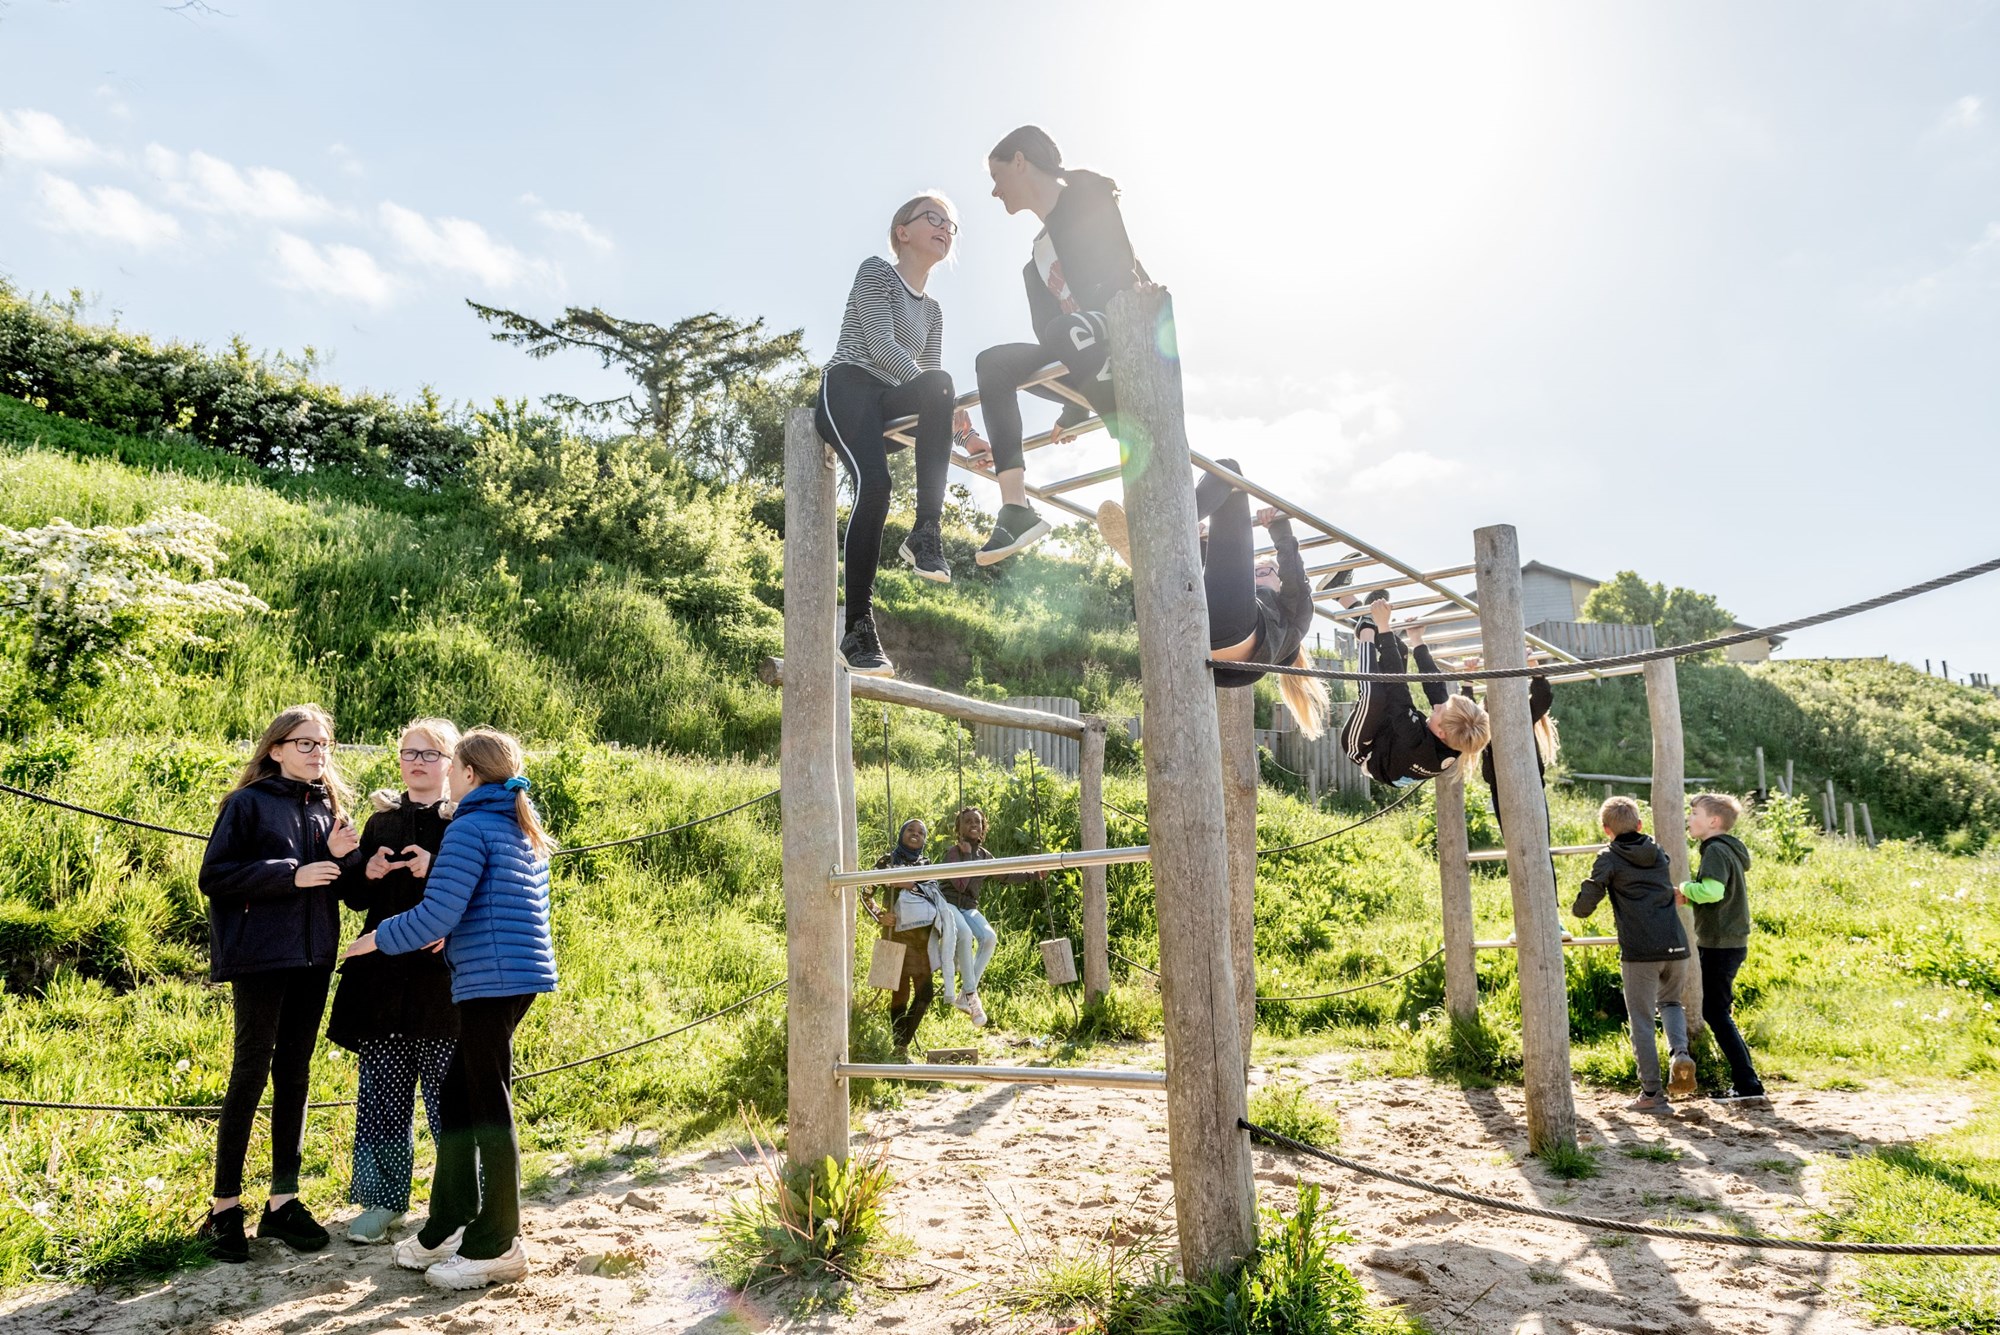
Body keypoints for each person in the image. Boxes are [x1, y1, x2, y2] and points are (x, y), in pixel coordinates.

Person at [342, 728, 558, 1290]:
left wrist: (375, 939)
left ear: (464, 773)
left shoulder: (468, 826)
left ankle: (498, 1243)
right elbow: (495, 906)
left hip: (488, 981)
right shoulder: (518, 824)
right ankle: (450, 1222)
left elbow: (437, 913)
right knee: (462, 1100)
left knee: (488, 1106)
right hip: (514, 977)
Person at [196, 703, 362, 1262]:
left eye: (324, 744)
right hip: (262, 959)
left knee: (295, 1074)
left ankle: (282, 1202)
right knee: (250, 1072)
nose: (318, 753)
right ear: (275, 748)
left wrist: (347, 858)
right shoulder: (246, 804)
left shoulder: (328, 806)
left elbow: (338, 884)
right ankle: (224, 1209)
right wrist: (291, 874)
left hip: (315, 958)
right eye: (306, 743)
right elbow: (213, 877)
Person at [817, 193, 982, 677]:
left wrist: (964, 436)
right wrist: (932, 396)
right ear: (901, 231)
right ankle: (858, 628)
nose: (944, 228)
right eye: (933, 218)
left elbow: (930, 388)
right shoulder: (876, 272)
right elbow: (879, 344)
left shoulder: (933, 311)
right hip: (849, 389)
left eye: (951, 224)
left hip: (890, 403)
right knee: (877, 484)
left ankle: (926, 530)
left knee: (943, 382)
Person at [968, 125, 1149, 567]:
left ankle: (1140, 462)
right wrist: (1071, 406)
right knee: (992, 363)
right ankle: (1016, 509)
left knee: (1064, 331)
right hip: (1076, 349)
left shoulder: (1087, 194)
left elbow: (1122, 272)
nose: (994, 192)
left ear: (1020, 161)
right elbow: (1048, 333)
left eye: (996, 177)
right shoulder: (1035, 263)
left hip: (1126, 332)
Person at [327, 718, 461, 1245]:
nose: (418, 762)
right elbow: (358, 899)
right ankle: (381, 1201)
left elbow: (482, 891)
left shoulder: (465, 822)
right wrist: (364, 868)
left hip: (442, 980)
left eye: (430, 755)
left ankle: (456, 1201)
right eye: (410, 753)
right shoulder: (381, 821)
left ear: (452, 765)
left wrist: (438, 866)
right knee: (382, 1094)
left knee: (449, 1099)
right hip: (382, 978)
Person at [1096, 462, 1329, 737]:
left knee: (1229, 472)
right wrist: (1201, 542)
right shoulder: (1269, 619)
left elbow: (1296, 580)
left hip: (1215, 635)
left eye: (1263, 572)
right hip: (1199, 628)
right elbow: (1222, 580)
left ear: (1279, 582)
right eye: (1254, 572)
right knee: (1224, 486)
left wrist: (1281, 531)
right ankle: (1163, 543)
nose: (1254, 578)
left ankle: (1162, 532)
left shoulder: (1292, 615)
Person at [1572, 796, 1697, 1114]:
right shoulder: (1658, 851)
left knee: (1641, 1019)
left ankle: (1652, 1094)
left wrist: (1585, 895)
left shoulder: (1609, 857)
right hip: (1677, 945)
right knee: (1670, 1003)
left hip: (1641, 951)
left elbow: (1585, 908)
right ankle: (1680, 1052)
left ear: (1606, 829)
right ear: (1640, 825)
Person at [1338, 596, 1490, 784]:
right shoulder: (1457, 737)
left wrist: (1383, 627)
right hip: (1392, 738)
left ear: (1441, 733)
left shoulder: (1415, 738)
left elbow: (1397, 687)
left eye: (1440, 711)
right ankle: (1352, 604)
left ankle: (1366, 630)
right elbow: (1435, 686)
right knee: (1400, 649)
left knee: (1374, 696)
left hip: (1364, 749)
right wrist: (1417, 639)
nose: (1437, 707)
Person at [1681, 793, 1765, 1102]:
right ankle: (1747, 1082)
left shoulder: (1715, 850)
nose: (1689, 818)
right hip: (1728, 942)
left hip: (1719, 943)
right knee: (1717, 1011)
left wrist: (1683, 889)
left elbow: (1713, 892)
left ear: (1713, 821)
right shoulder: (1726, 849)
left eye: (1694, 813)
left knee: (1715, 1013)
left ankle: (1748, 1085)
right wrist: (1691, 895)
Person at [865, 818, 966, 1059]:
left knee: (926, 993)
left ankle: (902, 1043)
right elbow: (866, 891)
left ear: (924, 839)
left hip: (923, 939)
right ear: (901, 833)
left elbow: (932, 893)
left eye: (921, 832)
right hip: (896, 934)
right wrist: (879, 914)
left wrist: (908, 883)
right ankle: (900, 1047)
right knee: (899, 992)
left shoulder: (925, 864)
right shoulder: (887, 862)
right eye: (910, 829)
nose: (915, 834)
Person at [939, 806, 1048, 1026]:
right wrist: (966, 854)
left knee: (989, 938)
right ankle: (971, 996)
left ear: (983, 828)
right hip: (949, 904)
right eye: (968, 821)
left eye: (977, 822)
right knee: (966, 933)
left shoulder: (984, 855)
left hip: (968, 907)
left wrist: (1033, 875)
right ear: (959, 827)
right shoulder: (954, 852)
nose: (973, 825)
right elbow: (959, 886)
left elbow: (1005, 874)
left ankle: (964, 994)